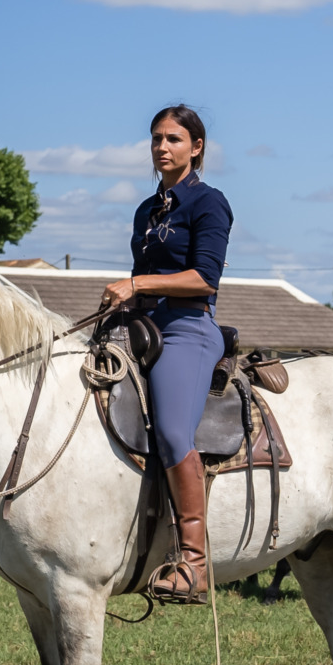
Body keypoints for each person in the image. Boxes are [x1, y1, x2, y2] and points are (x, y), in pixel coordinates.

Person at [99, 105, 233, 603]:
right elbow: (143, 277)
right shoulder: (145, 210)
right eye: (156, 138)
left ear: (195, 147)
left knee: (175, 430)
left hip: (188, 328)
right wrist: (125, 298)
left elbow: (204, 278)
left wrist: (138, 282)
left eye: (173, 139)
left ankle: (194, 563)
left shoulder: (208, 203)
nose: (161, 147)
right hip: (144, 326)